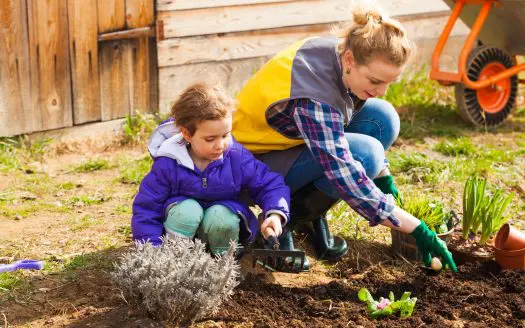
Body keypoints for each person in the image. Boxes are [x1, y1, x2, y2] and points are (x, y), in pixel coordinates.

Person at [232, 7, 457, 271]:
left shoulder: (343, 53)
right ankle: (281, 223)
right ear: (350, 60)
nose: (381, 91)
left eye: (389, 83)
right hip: (247, 164)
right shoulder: (316, 98)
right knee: (366, 155)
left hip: (291, 140)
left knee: (383, 118)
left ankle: (310, 215)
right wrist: (416, 228)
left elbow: (344, 118)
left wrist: (384, 177)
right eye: (375, 81)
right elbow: (346, 174)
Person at [132, 83, 289, 256]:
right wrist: (150, 250)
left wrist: (275, 214)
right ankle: (175, 258)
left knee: (221, 215)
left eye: (225, 135)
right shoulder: (168, 164)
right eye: (210, 139)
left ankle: (224, 262)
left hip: (220, 228)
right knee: (187, 211)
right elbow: (147, 208)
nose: (220, 144)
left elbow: (269, 183)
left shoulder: (236, 158)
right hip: (181, 229)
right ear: (186, 134)